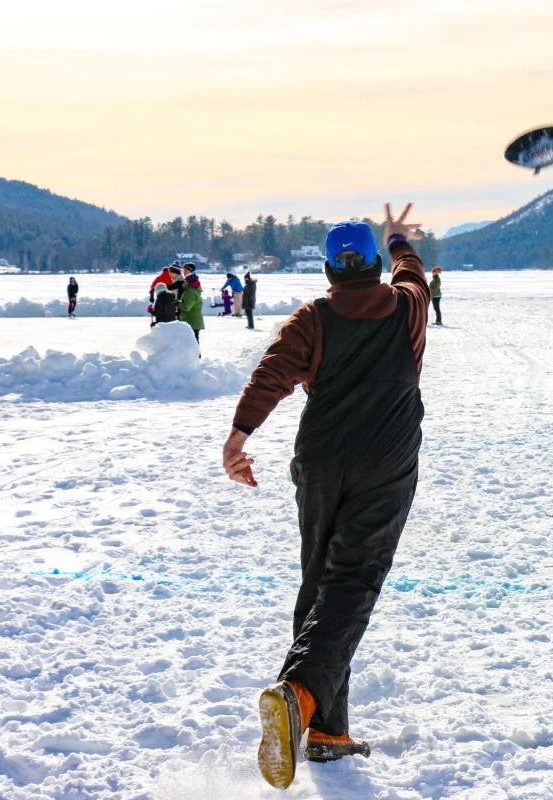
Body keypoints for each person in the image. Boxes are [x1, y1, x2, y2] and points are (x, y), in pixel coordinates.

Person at [222, 204, 428, 789]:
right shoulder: (407, 305)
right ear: (371, 264)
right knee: (353, 581)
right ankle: (301, 694)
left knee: (320, 583)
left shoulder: (311, 318)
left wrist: (238, 438)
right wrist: (397, 238)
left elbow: (272, 373)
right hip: (385, 463)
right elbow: (412, 269)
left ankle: (329, 734)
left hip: (320, 464)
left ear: (330, 272)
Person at [180, 270, 205, 350]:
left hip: (191, 321)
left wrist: (177, 303)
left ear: (188, 282)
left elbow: (186, 307)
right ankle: (196, 356)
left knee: (192, 342)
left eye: (185, 281)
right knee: (194, 341)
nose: (184, 282)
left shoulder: (190, 291)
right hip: (194, 320)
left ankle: (195, 357)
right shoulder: (194, 290)